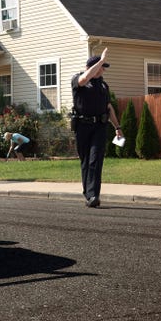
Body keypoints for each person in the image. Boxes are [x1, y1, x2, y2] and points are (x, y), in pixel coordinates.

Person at [70, 49, 122, 208]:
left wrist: (117, 127)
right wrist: (100, 60)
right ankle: (88, 194)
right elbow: (85, 78)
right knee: (86, 161)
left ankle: (93, 195)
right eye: (101, 66)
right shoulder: (78, 80)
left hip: (100, 126)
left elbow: (109, 107)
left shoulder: (103, 85)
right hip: (82, 126)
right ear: (92, 66)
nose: (103, 69)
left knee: (96, 160)